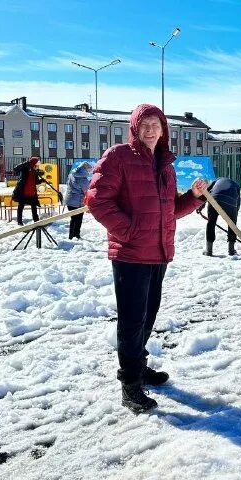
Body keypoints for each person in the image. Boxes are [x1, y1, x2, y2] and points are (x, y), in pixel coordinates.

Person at [87, 103, 206, 414]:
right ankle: (129, 384)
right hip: (130, 253)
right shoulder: (119, 156)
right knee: (131, 320)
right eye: (146, 124)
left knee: (148, 316)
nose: (151, 129)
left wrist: (193, 197)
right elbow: (97, 199)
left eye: (157, 123)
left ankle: (138, 368)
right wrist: (128, 231)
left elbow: (169, 211)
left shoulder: (164, 164)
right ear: (135, 128)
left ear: (164, 129)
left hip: (158, 252)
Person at [199, 177, 241, 257]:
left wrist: (201, 206)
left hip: (214, 199)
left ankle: (209, 250)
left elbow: (206, 193)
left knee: (211, 223)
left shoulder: (216, 181)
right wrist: (234, 215)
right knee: (232, 224)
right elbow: (238, 202)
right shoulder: (236, 185)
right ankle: (231, 250)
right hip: (230, 201)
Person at [11, 157, 45, 225]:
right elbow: (15, 169)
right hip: (23, 192)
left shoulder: (35, 171)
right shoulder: (25, 168)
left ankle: (36, 221)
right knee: (21, 207)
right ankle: (19, 222)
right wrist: (26, 163)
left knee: (34, 207)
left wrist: (41, 180)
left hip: (32, 193)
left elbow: (36, 181)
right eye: (36, 163)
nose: (37, 165)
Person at [65, 162, 91, 239]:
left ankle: (71, 236)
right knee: (78, 220)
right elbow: (86, 190)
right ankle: (76, 235)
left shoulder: (71, 175)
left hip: (69, 200)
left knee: (73, 219)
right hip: (78, 202)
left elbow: (67, 184)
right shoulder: (83, 179)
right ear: (85, 170)